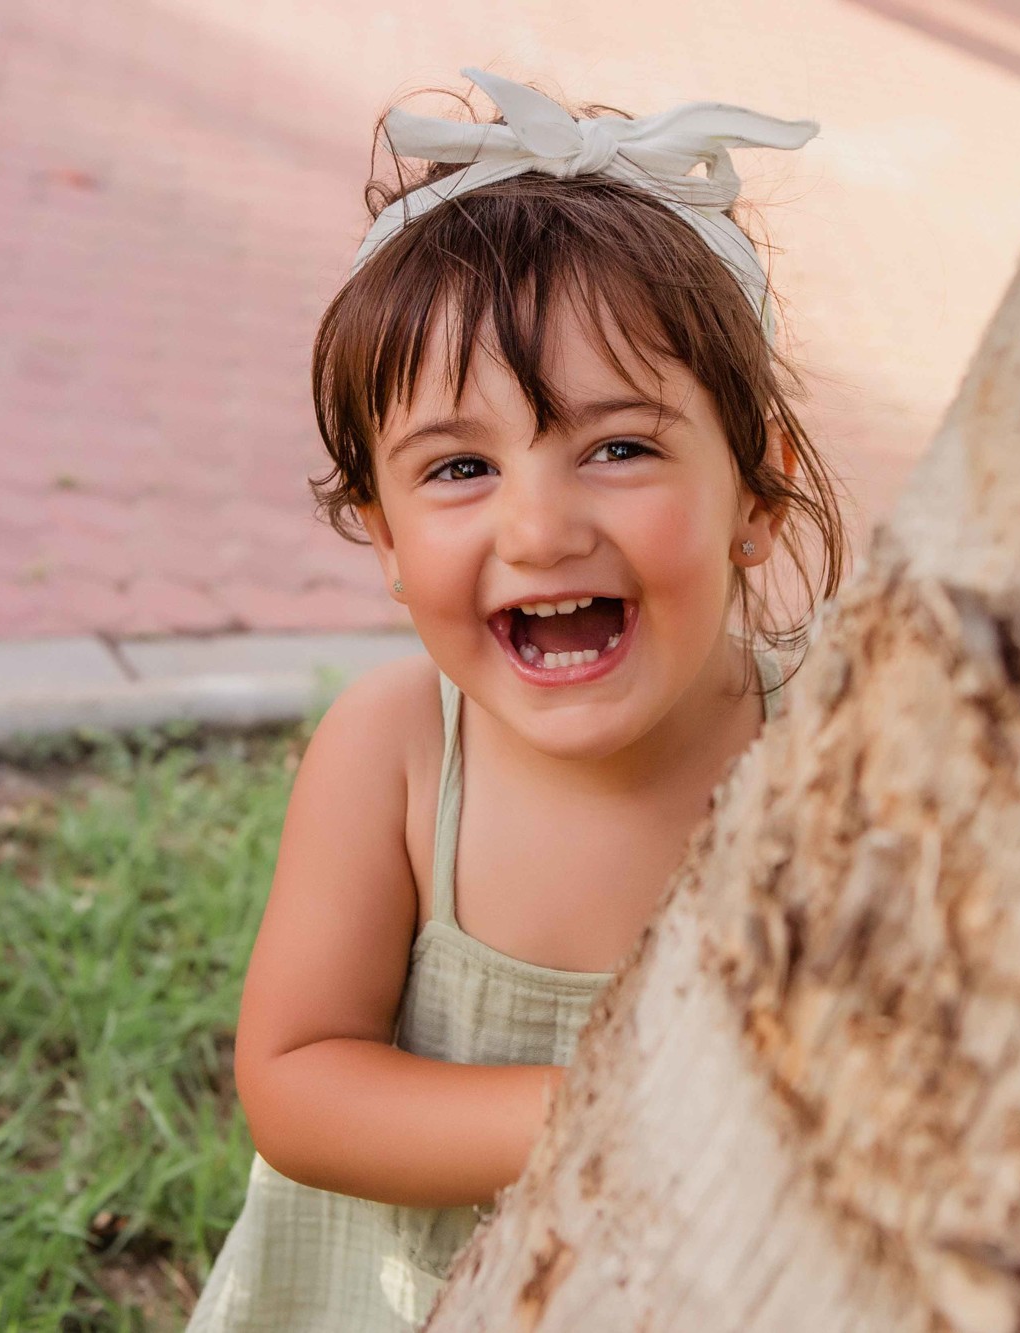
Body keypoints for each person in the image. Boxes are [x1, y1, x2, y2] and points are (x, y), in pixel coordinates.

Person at [187, 67, 848, 1332]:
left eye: (620, 447)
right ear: (383, 535)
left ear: (757, 493)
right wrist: (618, 1117)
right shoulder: (393, 752)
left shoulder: (828, 738)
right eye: (459, 467)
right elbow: (298, 1082)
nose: (539, 530)